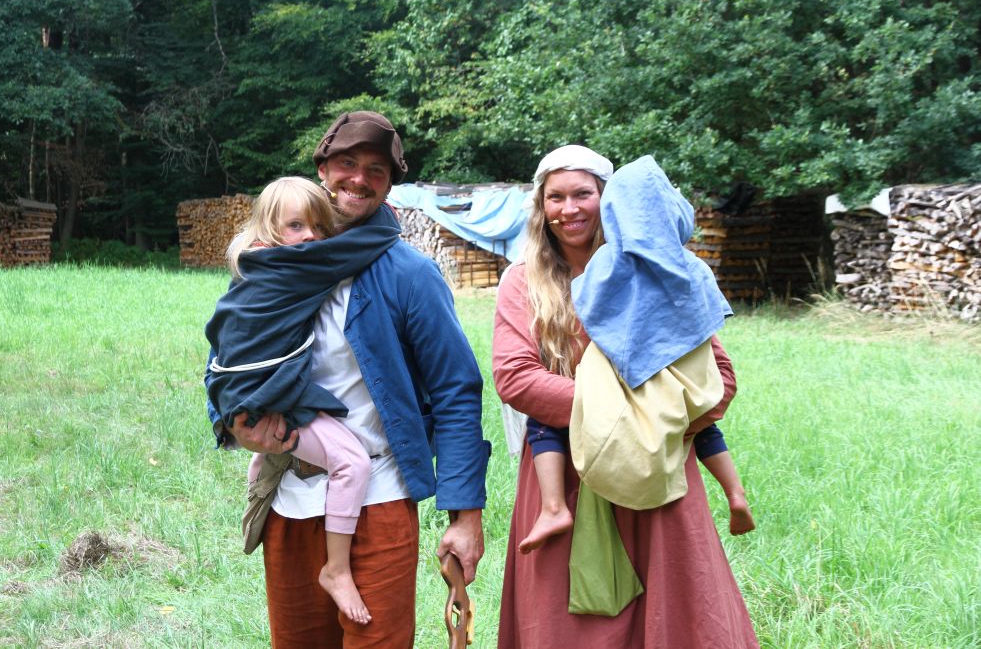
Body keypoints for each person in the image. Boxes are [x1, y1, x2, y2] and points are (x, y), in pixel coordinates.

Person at [206, 111, 489, 648]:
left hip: (377, 497)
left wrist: (466, 514)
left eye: (376, 170)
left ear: (389, 184)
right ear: (323, 169)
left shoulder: (409, 275)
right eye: (348, 163)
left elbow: (456, 392)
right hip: (291, 500)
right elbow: (227, 353)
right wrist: (232, 422)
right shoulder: (275, 262)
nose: (359, 178)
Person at [493, 144, 758, 646]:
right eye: (555, 197)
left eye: (582, 194)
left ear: (608, 199)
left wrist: (645, 425)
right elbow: (515, 377)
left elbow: (718, 378)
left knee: (675, 616)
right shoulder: (522, 282)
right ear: (541, 206)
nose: (568, 209)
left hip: (658, 463)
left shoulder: (658, 269)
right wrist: (616, 417)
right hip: (565, 470)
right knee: (565, 626)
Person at [207, 176, 379, 624]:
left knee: (282, 440)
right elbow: (376, 238)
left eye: (320, 227)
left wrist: (226, 413)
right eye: (297, 226)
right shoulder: (293, 266)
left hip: (243, 393)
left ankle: (262, 470)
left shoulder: (252, 266)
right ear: (268, 230)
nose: (311, 238)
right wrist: (382, 212)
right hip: (267, 398)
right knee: (352, 463)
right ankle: (336, 569)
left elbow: (220, 344)